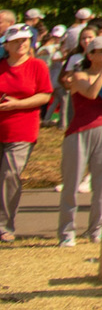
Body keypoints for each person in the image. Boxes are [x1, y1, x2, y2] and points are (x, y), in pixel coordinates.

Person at [55, 26, 102, 245]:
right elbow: (92, 93)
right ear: (90, 54)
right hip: (79, 132)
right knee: (72, 183)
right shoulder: (78, 75)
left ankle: (96, 229)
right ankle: (67, 232)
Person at [0, 24, 53, 240]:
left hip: (22, 129)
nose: (21, 44)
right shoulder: (2, 66)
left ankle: (4, 226)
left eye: (24, 40)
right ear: (6, 45)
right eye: (16, 41)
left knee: (10, 175)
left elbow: (45, 95)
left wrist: (17, 104)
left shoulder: (37, 66)